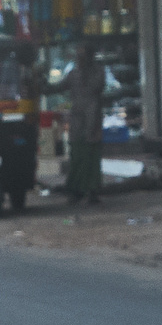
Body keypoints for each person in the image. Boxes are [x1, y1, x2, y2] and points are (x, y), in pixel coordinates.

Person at [65, 40, 104, 203]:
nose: (79, 58)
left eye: (82, 54)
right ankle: (76, 190)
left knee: (91, 156)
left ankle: (92, 190)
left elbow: (96, 90)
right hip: (77, 120)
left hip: (92, 118)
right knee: (77, 156)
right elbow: (59, 86)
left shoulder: (97, 73)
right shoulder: (73, 74)